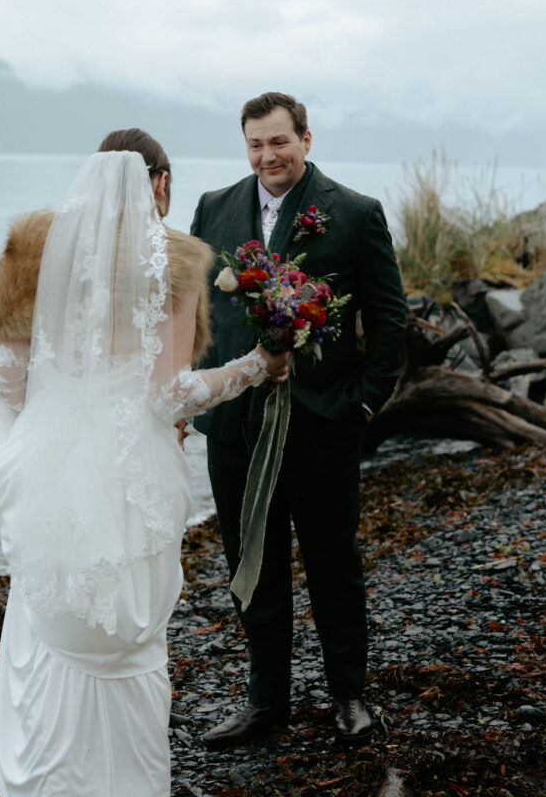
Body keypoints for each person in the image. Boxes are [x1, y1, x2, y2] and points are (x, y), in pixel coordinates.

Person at [0, 129, 288, 797]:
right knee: (128, 626)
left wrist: (34, 431)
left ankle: (40, 772)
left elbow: (5, 372)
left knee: (45, 607)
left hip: (50, 461)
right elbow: (168, 395)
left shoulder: (35, 246)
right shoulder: (170, 260)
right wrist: (255, 366)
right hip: (129, 466)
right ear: (162, 183)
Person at [190, 92, 407, 747]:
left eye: (279, 142)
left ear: (306, 141)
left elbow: (390, 322)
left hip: (323, 425)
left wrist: (362, 405)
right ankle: (267, 704)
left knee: (332, 565)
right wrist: (197, 397)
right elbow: (198, 317)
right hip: (236, 428)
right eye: (256, 144)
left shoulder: (355, 213)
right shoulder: (214, 208)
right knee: (250, 563)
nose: (267, 156)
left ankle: (350, 698)